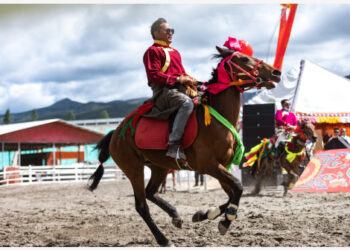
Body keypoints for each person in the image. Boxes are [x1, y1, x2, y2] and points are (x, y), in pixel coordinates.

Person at [143, 18, 197, 161]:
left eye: (172, 30)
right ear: (156, 33)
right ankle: (174, 145)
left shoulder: (175, 52)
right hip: (164, 92)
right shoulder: (152, 51)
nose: (171, 33)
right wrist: (178, 79)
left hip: (180, 89)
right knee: (187, 104)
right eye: (167, 30)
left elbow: (182, 73)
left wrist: (192, 81)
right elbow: (154, 75)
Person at [274, 99, 298, 165]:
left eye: (289, 104)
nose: (288, 105)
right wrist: (286, 124)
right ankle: (276, 159)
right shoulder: (279, 112)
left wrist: (294, 127)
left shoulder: (292, 114)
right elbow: (278, 119)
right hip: (282, 130)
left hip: (291, 132)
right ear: (282, 105)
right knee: (281, 142)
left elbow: (295, 123)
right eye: (286, 104)